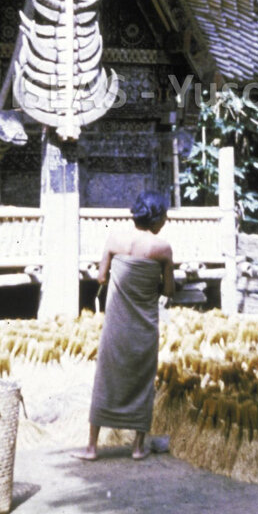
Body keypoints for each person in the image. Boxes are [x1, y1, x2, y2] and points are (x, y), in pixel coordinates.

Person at [75, 191, 175, 461]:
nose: (165, 221)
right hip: (144, 325)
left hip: (117, 323)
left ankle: (92, 447)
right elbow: (168, 289)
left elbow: (101, 277)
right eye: (164, 217)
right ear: (156, 219)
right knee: (142, 380)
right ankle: (137, 447)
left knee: (106, 378)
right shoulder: (162, 249)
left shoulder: (115, 240)